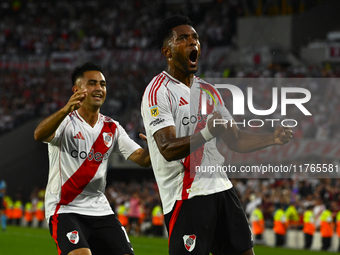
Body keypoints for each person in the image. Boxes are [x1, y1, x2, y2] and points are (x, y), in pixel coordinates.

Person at [141, 14, 293, 255]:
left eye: (195, 38)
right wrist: (208, 131)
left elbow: (236, 140)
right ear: (167, 52)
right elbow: (168, 149)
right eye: (183, 38)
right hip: (187, 195)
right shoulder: (158, 91)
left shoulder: (209, 91)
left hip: (222, 188)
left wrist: (271, 138)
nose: (193, 43)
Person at [34, 62, 150, 255]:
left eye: (103, 84)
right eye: (92, 83)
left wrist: (154, 146)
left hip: (99, 209)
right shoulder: (65, 122)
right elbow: (39, 134)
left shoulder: (112, 127)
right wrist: (65, 110)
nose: (99, 88)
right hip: (64, 208)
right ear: (77, 89)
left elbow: (142, 159)